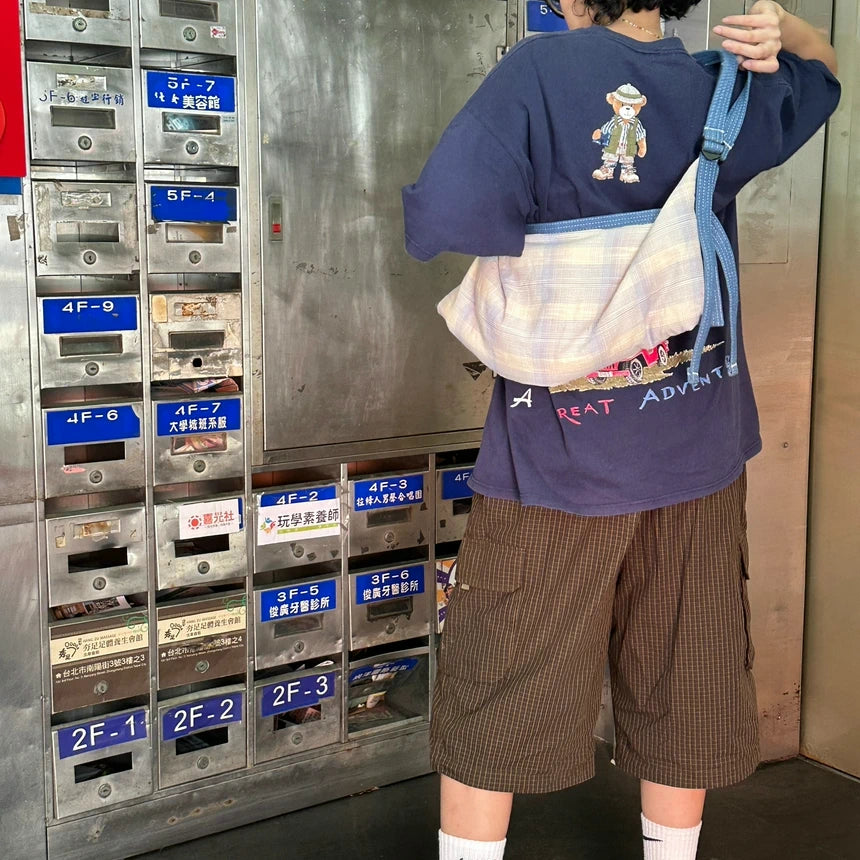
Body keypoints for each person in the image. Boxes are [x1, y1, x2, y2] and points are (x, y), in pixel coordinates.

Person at [401, 2, 839, 859]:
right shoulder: (722, 88)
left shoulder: (536, 72)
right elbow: (823, 75)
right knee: (686, 671)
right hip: (700, 453)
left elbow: (446, 216)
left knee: (501, 681)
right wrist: (787, 28)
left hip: (558, 461)